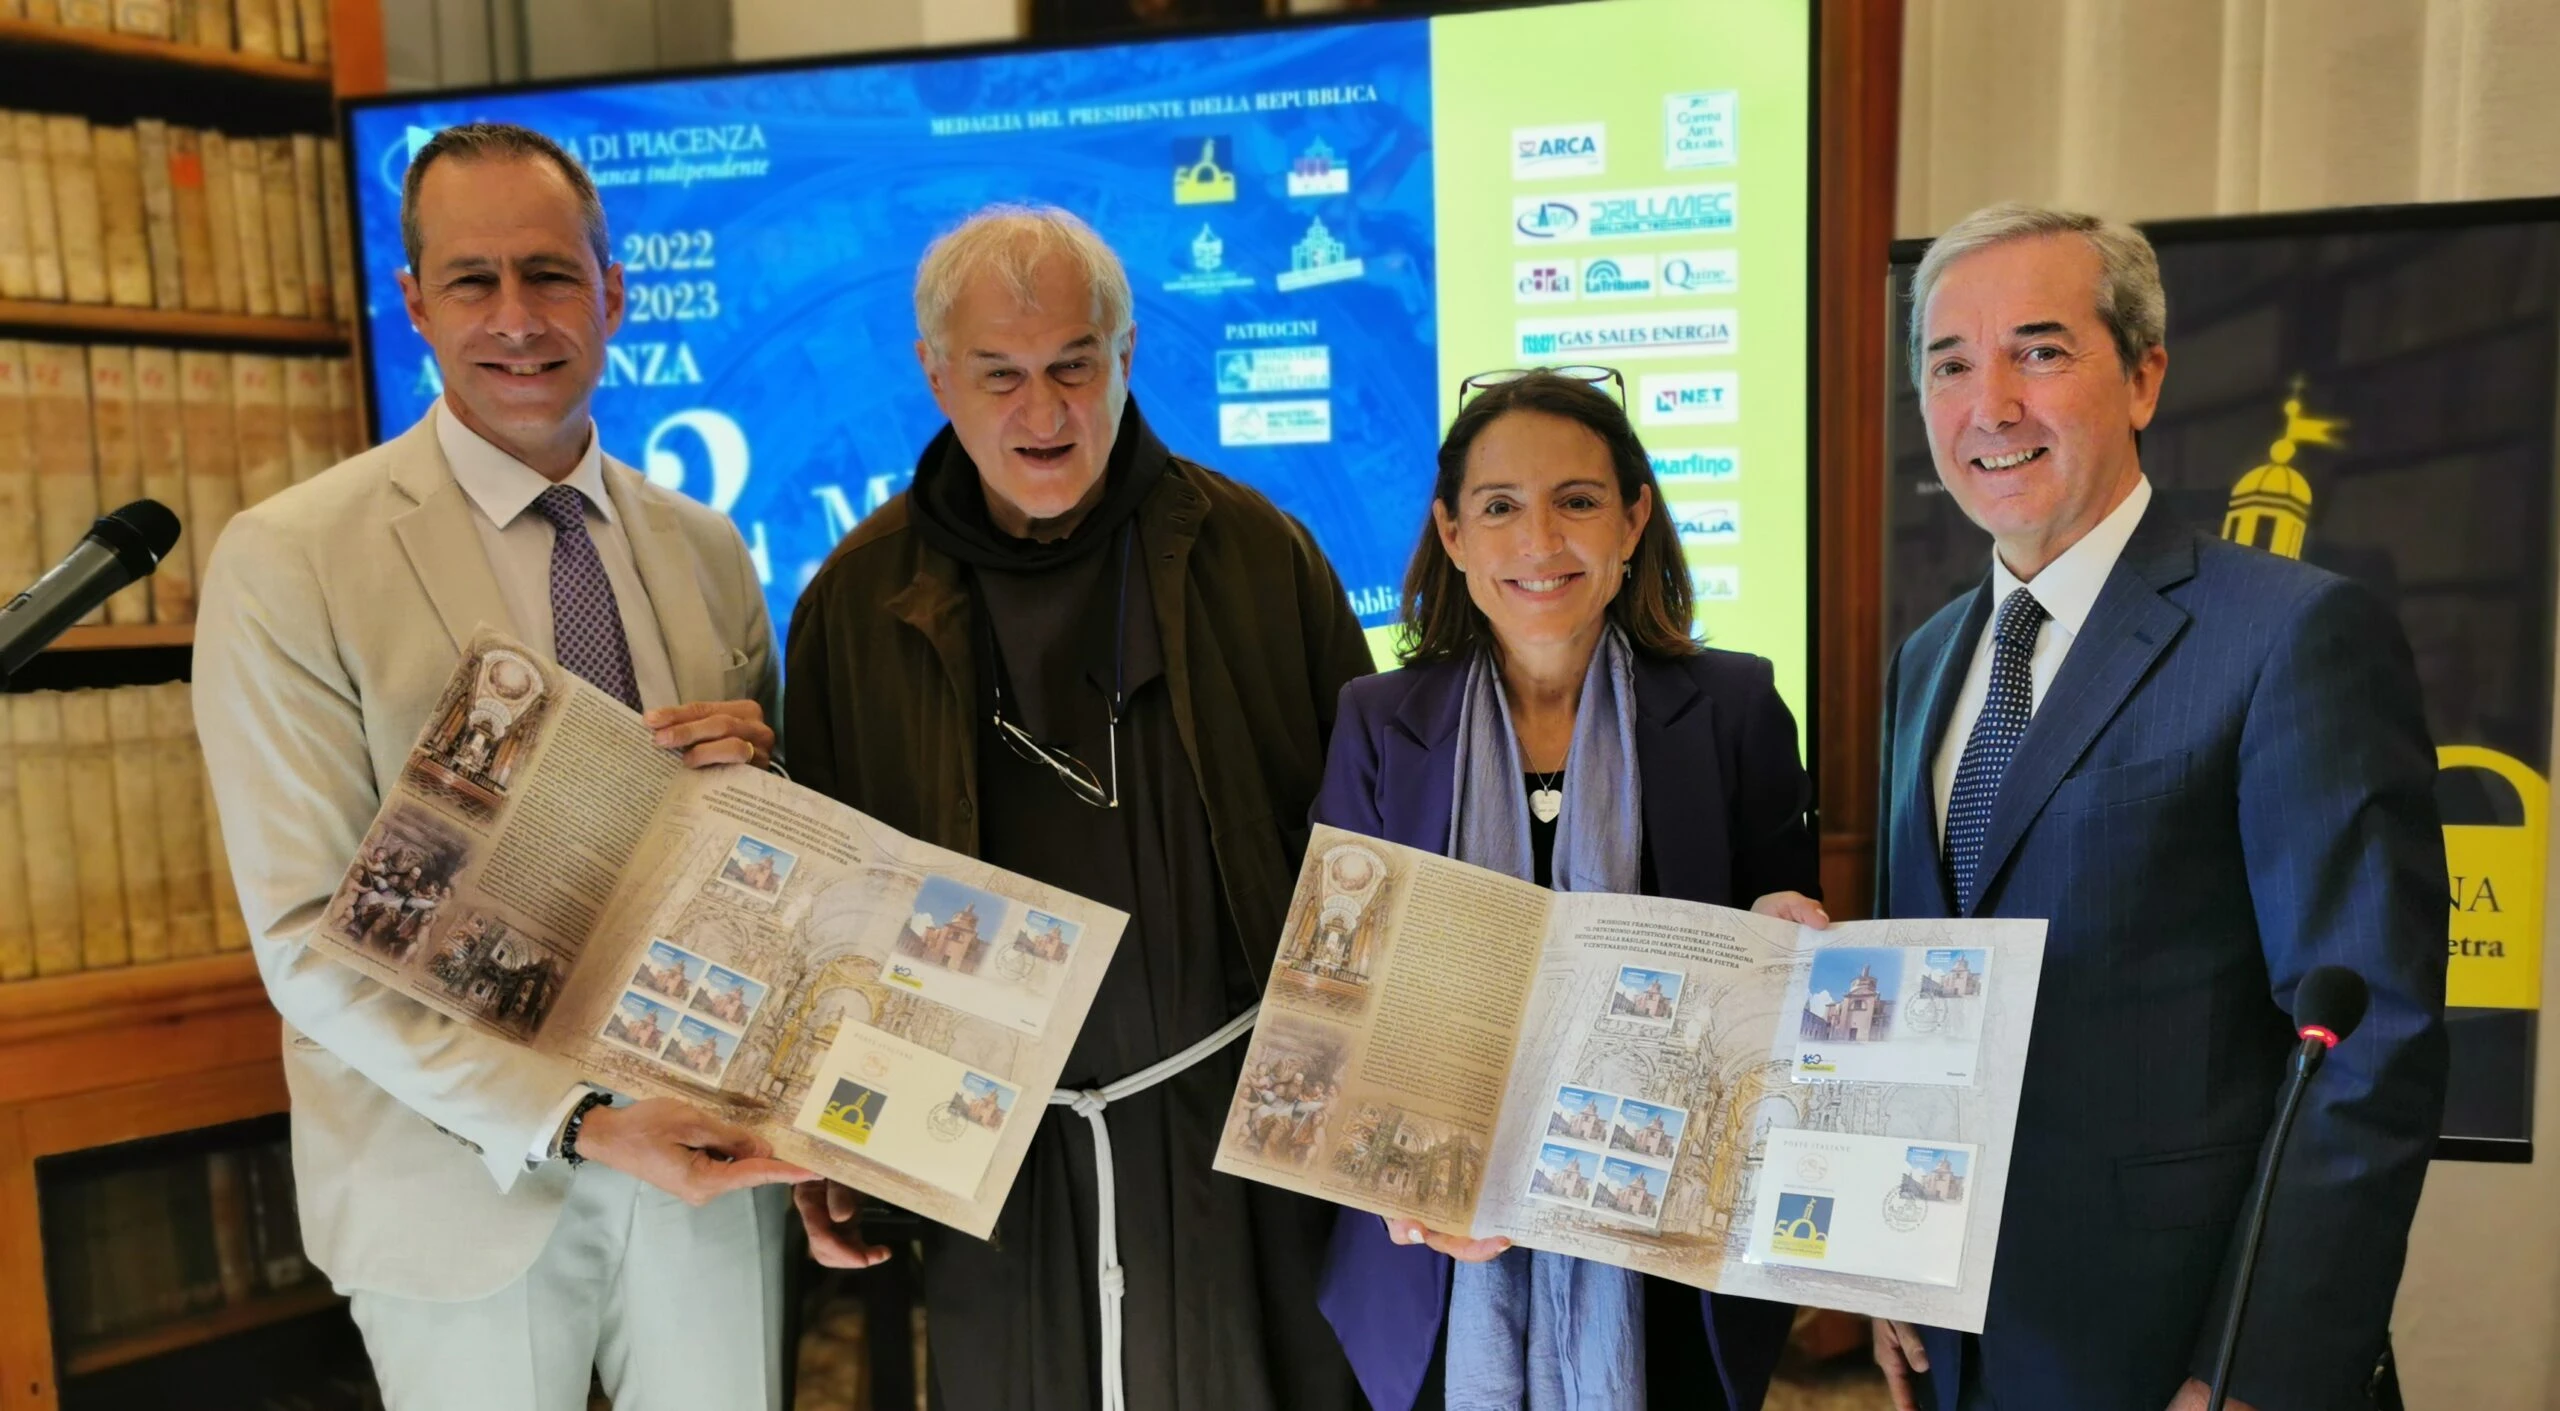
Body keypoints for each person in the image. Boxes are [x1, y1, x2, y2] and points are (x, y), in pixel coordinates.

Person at [193, 122, 809, 1409]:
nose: (517, 316)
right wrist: (574, 1117)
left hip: (701, 1151)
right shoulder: (291, 558)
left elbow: (774, 880)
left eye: (549, 273)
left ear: (613, 294)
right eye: (472, 279)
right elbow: (305, 933)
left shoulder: (706, 547)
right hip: (447, 1178)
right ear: (415, 302)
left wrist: (771, 795)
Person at [782, 204, 1373, 1411]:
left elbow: (1364, 854)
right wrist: (824, 1135)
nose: (1042, 413)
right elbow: (831, 909)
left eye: (1072, 365)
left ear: (1126, 353)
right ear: (935, 375)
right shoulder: (853, 602)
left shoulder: (1259, 556)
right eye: (998, 374)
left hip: (1229, 1137)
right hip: (992, 1153)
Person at [1871, 203, 2447, 1411]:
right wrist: (1886, 1251)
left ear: (2142, 377)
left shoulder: (2289, 635)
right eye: (1950, 364)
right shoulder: (1925, 662)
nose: (1990, 405)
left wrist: (2252, 1372)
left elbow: (2365, 1046)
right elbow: (1926, 1001)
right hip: (1961, 1345)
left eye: (2038, 351)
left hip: (2178, 1356)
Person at [1312, 369, 1819, 1411]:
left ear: (1633, 520)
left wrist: (1791, 939)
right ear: (1452, 534)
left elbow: (1780, 967)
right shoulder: (1377, 721)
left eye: (1577, 500)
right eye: (1499, 506)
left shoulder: (1734, 707)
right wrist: (1400, 1179)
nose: (1539, 541)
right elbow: (1335, 993)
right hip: (1436, 1251)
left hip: (1661, 1250)